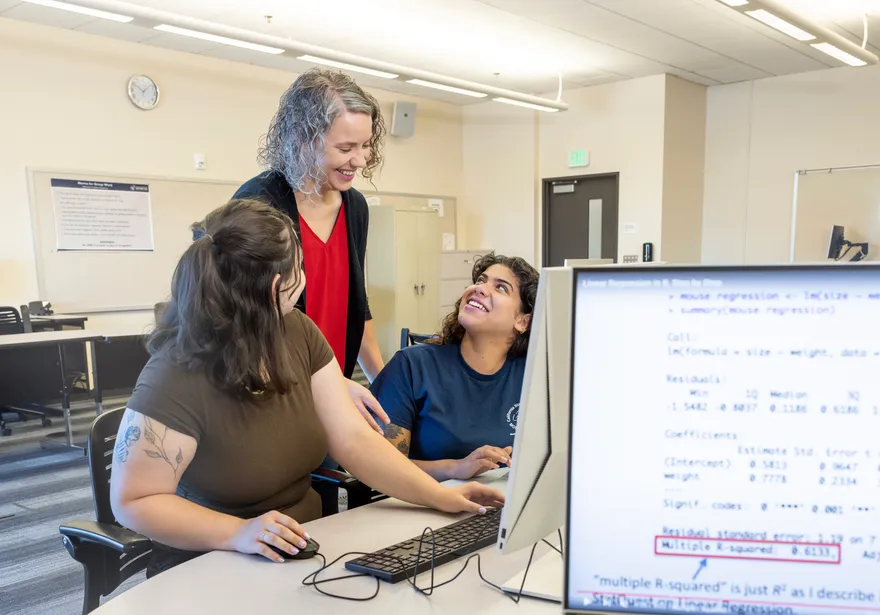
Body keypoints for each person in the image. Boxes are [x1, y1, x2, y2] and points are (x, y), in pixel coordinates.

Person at [109, 199, 503, 576]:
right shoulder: (175, 373)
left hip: (305, 547)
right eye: (302, 265)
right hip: (210, 560)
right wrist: (238, 533)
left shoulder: (297, 332)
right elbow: (135, 501)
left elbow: (353, 440)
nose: (307, 275)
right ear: (277, 286)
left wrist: (440, 496)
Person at [233, 68, 385, 426]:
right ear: (303, 140)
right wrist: (328, 383)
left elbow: (356, 304)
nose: (360, 160)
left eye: (365, 146)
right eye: (346, 148)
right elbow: (247, 325)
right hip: (272, 397)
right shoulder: (258, 205)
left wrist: (387, 384)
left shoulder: (355, 207)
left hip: (335, 388)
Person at [372, 253, 539, 482]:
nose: (479, 288)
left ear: (523, 321)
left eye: (501, 288)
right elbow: (379, 467)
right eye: (480, 280)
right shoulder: (411, 366)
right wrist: (455, 469)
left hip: (501, 506)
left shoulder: (533, 376)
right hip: (422, 507)